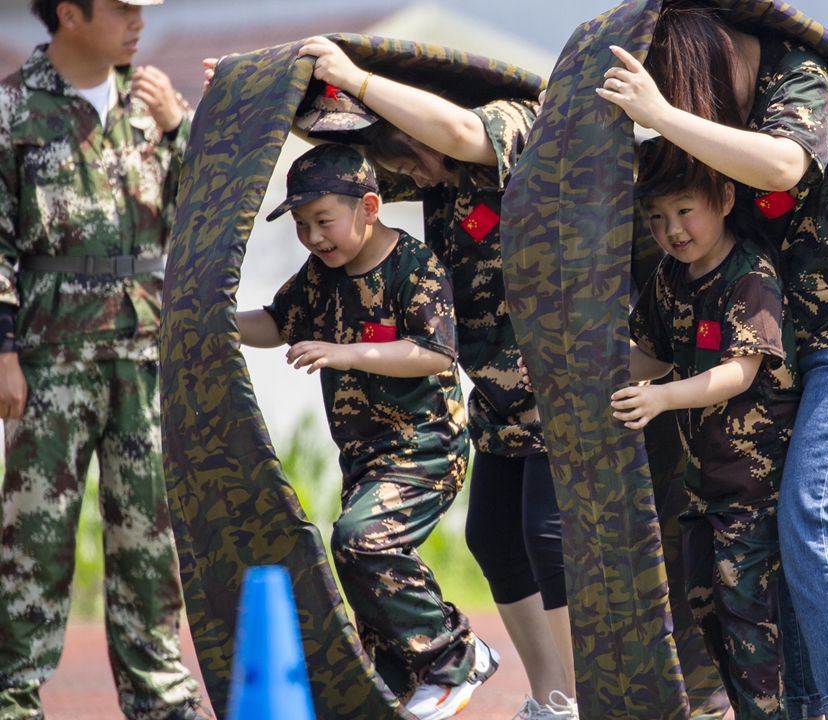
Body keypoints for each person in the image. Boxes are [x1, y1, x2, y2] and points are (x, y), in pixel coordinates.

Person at [597, 4, 828, 719]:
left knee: (815, 512)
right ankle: (810, 708)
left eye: (686, 94)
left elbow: (783, 163)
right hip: (795, 351)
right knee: (777, 532)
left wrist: (663, 114)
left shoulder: (796, 72)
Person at [283, 37, 579, 720]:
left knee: (549, 537)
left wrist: (355, 74)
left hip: (566, 384)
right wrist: (272, 93)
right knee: (495, 542)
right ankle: (554, 698)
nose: (421, 171)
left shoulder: (509, 119)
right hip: (504, 396)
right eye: (400, 163)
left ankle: (595, 699)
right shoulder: (428, 167)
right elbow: (349, 158)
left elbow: (455, 134)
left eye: (417, 155)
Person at [235, 143, 497, 720]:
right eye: (302, 226)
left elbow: (434, 354)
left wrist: (344, 352)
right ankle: (400, 683)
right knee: (361, 574)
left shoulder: (413, 265)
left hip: (426, 447)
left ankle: (455, 653)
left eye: (323, 222)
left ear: (370, 207)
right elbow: (277, 323)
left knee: (361, 540)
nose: (314, 238)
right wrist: (216, 324)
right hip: (364, 456)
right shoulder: (318, 274)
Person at [0, 1, 206, 718]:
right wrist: (3, 354)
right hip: (50, 353)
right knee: (35, 534)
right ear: (69, 13)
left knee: (149, 532)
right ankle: (13, 693)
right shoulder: (12, 109)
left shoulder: (151, 104)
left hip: (142, 350)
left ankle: (159, 695)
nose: (137, 21)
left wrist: (181, 133)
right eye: (121, 8)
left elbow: (194, 220)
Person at [608, 141, 798, 720]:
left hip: (753, 484)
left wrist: (662, 398)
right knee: (705, 604)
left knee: (747, 613)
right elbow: (648, 356)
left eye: (685, 210)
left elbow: (738, 374)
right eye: (657, 218)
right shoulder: (670, 278)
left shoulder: (751, 276)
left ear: (724, 197)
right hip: (703, 485)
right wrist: (582, 375)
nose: (673, 230)